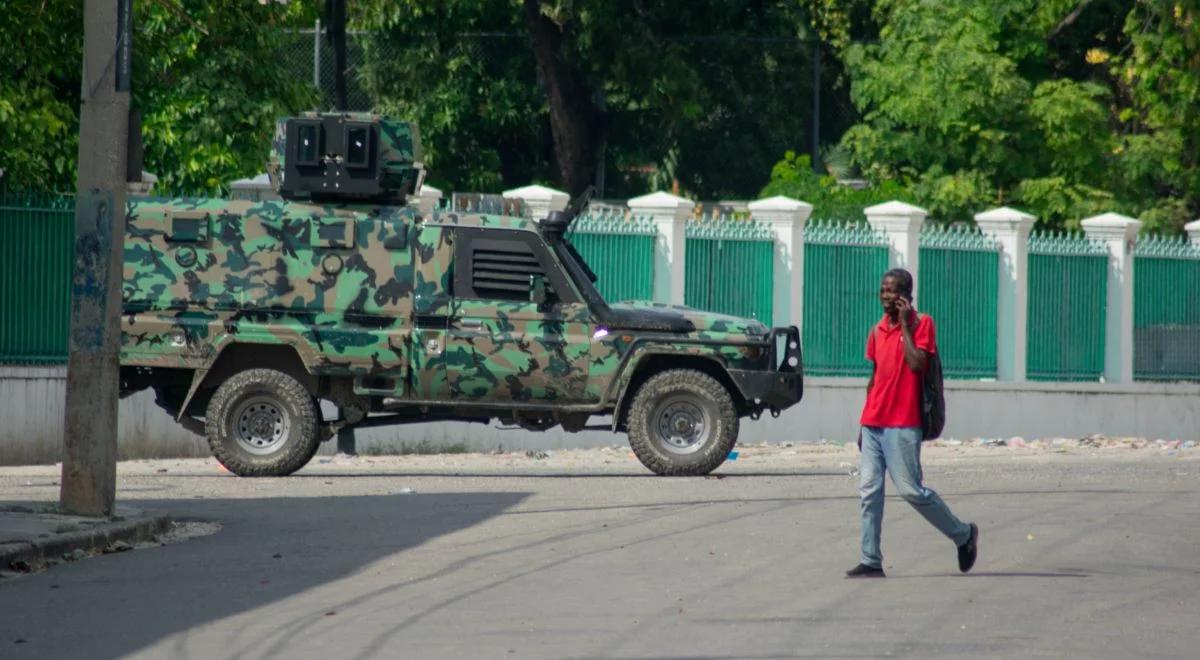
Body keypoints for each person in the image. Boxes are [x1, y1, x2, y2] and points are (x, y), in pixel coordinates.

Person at [845, 268, 978, 578]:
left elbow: (917, 363)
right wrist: (863, 423)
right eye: (882, 291)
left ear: (906, 295)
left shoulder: (922, 324)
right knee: (868, 491)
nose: (885, 296)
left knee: (911, 491)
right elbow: (875, 377)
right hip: (874, 423)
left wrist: (905, 326)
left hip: (904, 424)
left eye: (891, 291)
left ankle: (963, 534)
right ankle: (870, 559)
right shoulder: (877, 330)